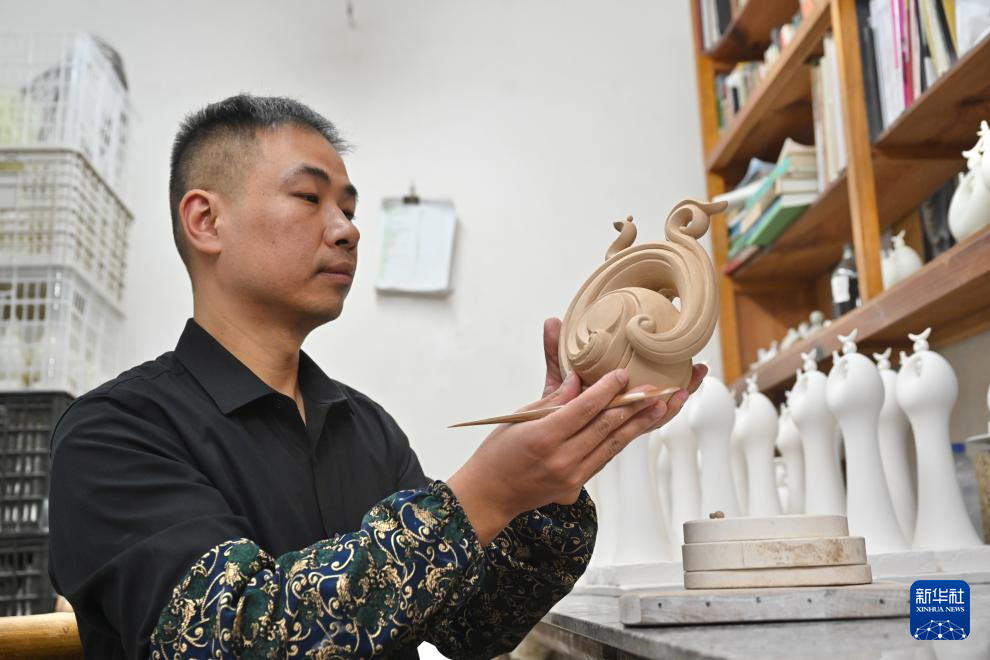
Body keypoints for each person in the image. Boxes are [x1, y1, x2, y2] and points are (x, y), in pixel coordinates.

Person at [48, 94, 704, 659]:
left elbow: (472, 627)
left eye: (350, 209)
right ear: (206, 220)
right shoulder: (114, 433)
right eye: (309, 198)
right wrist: (484, 493)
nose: (347, 231)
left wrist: (549, 482)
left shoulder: (364, 428)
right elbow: (233, 637)